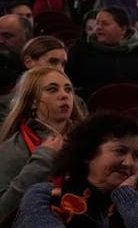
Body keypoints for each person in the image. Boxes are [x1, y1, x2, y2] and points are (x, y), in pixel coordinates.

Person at [0, 67, 84, 218]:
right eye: (52, 90)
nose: (64, 95)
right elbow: (4, 211)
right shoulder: (13, 148)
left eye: (68, 89)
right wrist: (43, 159)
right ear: (32, 102)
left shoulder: (91, 139)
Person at [65, 6, 138, 99]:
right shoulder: (81, 52)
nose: (98, 27)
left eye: (105, 24)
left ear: (123, 29)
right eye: (97, 24)